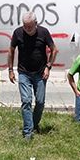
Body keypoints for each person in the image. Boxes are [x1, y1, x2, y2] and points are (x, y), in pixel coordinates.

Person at [8, 12, 57, 140]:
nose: (27, 29)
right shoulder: (18, 33)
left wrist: (48, 66)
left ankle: (34, 124)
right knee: (26, 101)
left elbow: (54, 49)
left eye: (30, 26)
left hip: (40, 73)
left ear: (36, 24)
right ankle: (28, 132)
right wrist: (10, 70)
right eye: (25, 26)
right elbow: (11, 50)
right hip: (24, 72)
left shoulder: (44, 32)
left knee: (40, 102)